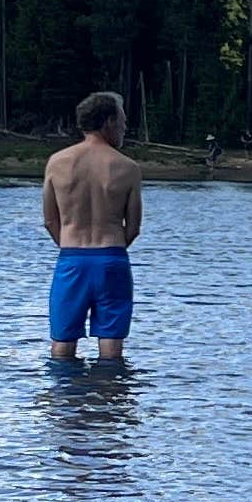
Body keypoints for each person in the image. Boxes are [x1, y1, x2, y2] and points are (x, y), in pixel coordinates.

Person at [42, 89, 145, 365]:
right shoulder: (128, 168)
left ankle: (65, 402)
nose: (124, 127)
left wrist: (70, 244)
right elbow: (133, 226)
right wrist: (110, 247)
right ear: (108, 121)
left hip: (71, 259)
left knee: (62, 342)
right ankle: (109, 400)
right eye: (122, 121)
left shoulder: (57, 163)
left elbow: (50, 220)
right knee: (111, 345)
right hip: (111, 258)